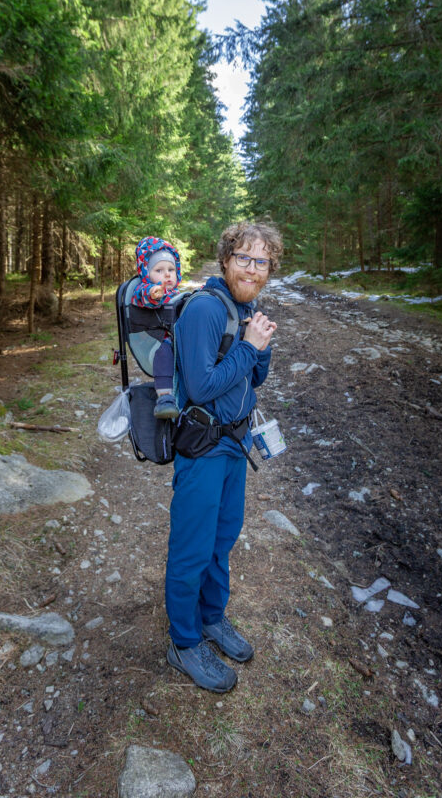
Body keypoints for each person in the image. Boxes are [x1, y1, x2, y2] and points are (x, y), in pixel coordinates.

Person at [165, 220, 283, 693]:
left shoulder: (244, 310)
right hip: (203, 448)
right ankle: (183, 641)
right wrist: (250, 347)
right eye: (244, 258)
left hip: (235, 445)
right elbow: (202, 385)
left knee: (223, 539)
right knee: (192, 548)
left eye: (262, 262)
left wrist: (261, 348)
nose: (253, 269)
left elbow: (251, 382)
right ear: (226, 260)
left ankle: (212, 618)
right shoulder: (205, 311)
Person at [131, 236, 182, 419]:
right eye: (159, 270)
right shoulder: (145, 290)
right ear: (146, 273)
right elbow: (142, 298)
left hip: (182, 337)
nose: (167, 274)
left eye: (171, 269)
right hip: (159, 339)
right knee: (164, 352)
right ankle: (165, 397)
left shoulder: (177, 292)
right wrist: (153, 294)